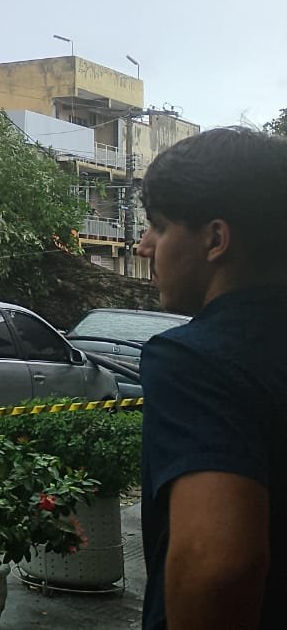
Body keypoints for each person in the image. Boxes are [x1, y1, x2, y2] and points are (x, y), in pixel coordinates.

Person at [137, 127, 287, 629]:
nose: (144, 247)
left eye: (158, 226)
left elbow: (218, 566)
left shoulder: (196, 360)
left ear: (215, 240)